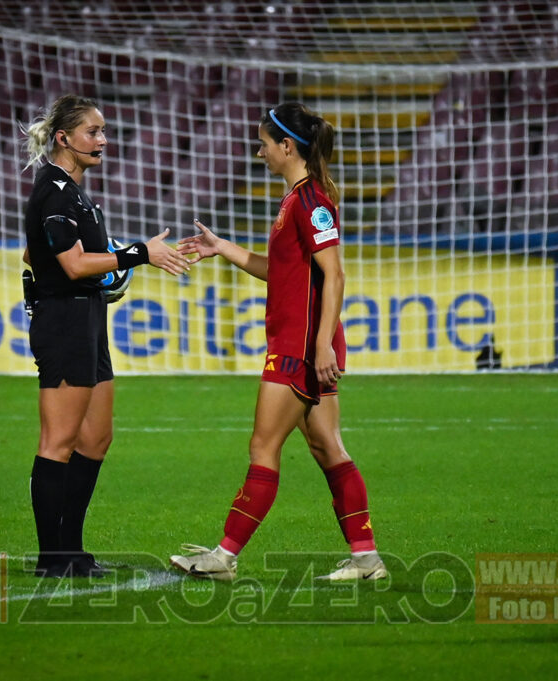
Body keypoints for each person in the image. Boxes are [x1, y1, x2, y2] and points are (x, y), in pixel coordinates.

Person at [170, 103, 386, 581]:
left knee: (263, 447)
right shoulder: (297, 200)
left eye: (264, 143)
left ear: (287, 146)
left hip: (300, 345)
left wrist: (322, 346)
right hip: (307, 342)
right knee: (328, 447)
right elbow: (285, 273)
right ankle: (367, 558)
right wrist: (223, 248)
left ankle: (223, 556)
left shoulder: (310, 202)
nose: (260, 151)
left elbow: (335, 275)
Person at [21, 94, 190, 578]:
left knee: (95, 438)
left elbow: (38, 255)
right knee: (59, 440)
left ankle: (71, 548)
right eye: (93, 132)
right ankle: (51, 556)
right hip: (64, 323)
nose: (103, 140)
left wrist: (104, 268)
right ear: (64, 139)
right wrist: (137, 255)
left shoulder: (74, 194)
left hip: (88, 319)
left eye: (103, 131)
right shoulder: (54, 192)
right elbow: (72, 265)